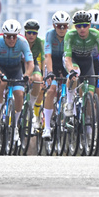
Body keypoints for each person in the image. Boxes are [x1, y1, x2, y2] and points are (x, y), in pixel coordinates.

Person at [0, 20, 34, 144]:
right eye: (8, 36)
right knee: (2, 83)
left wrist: (27, 74)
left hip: (16, 69)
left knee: (19, 94)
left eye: (14, 36)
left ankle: (15, 126)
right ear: (4, 35)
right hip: (1, 68)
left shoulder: (23, 42)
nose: (11, 39)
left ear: (17, 35)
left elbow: (30, 63)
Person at [62, 11, 99, 117]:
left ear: (89, 25)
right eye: (78, 26)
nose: (82, 29)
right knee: (75, 73)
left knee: (90, 97)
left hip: (87, 61)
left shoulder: (96, 34)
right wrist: (71, 71)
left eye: (85, 25)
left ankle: (87, 127)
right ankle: (69, 103)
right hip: (73, 60)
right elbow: (68, 58)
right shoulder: (70, 35)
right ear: (75, 27)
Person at [42, 11, 70, 140]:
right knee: (52, 89)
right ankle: (47, 127)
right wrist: (51, 72)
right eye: (59, 26)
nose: (62, 29)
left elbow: (71, 56)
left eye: (64, 26)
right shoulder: (49, 35)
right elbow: (47, 55)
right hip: (53, 62)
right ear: (54, 26)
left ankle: (70, 110)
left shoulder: (70, 36)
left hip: (65, 62)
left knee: (71, 84)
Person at [23, 19, 45, 132]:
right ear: (25, 32)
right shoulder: (21, 41)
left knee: (38, 80)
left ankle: (30, 109)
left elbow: (44, 60)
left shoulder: (40, 42)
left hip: (34, 63)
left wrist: (45, 76)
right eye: (29, 33)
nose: (31, 35)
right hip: (20, 65)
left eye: (34, 33)